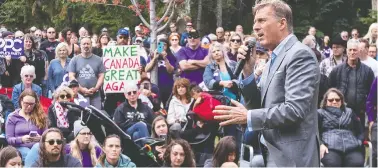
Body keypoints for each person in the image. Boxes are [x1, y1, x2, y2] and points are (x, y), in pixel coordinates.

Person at [213, 0, 320, 166]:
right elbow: (259, 105)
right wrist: (248, 71)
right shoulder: (272, 59)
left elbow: (294, 110)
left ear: (282, 23)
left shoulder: (299, 55)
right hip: (271, 155)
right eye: (255, 21)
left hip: (292, 159)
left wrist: (248, 116)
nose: (255, 27)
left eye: (262, 20)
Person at [328, 40, 375, 129]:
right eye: (350, 50)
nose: (352, 52)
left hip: (359, 113)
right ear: (346, 51)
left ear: (359, 51)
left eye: (355, 50)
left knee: (359, 139)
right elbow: (329, 91)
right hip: (340, 112)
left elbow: (371, 94)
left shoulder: (367, 71)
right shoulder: (337, 71)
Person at [318, 88, 364, 167]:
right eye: (331, 100)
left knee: (357, 163)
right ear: (325, 101)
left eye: (337, 99)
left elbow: (360, 130)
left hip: (351, 147)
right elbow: (315, 132)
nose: (334, 102)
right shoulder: (320, 113)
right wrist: (320, 144)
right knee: (333, 164)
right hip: (330, 148)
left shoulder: (350, 112)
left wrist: (359, 142)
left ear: (341, 101)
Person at [6, 90, 48, 161]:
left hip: (37, 146)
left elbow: (47, 136)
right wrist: (21, 139)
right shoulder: (12, 117)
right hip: (19, 147)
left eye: (32, 104)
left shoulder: (40, 116)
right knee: (30, 154)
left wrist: (40, 138)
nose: (29, 106)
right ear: (21, 101)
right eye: (26, 103)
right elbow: (9, 139)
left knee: (37, 148)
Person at [68, 37, 106, 110]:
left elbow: (101, 75)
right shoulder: (74, 60)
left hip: (95, 95)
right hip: (79, 95)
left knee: (96, 116)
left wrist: (96, 88)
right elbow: (71, 76)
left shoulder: (98, 59)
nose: (86, 46)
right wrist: (81, 89)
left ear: (91, 45)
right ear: (80, 46)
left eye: (88, 44)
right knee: (81, 116)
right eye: (84, 44)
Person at [145, 39, 176, 107]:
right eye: (160, 45)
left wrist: (165, 59)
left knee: (167, 105)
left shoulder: (171, 56)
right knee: (156, 106)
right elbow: (147, 69)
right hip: (155, 85)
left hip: (168, 86)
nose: (162, 47)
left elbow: (170, 70)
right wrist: (154, 58)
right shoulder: (152, 55)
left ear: (167, 47)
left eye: (164, 45)